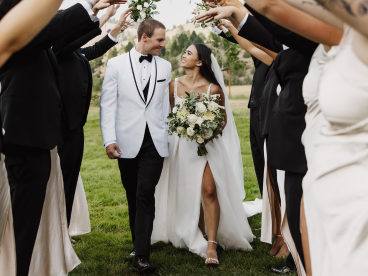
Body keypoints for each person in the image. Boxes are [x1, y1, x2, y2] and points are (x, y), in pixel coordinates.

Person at [0, 0, 126, 274]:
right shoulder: (14, 33)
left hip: (37, 136)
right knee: (19, 225)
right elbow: (49, 29)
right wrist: (92, 6)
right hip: (22, 137)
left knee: (29, 223)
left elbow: (55, 31)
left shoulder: (33, 39)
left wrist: (96, 11)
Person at [151, 43, 254, 266]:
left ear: (200, 62)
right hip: (181, 147)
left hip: (207, 146)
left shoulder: (213, 89)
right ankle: (194, 233)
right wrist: (182, 128)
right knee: (188, 193)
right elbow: (170, 116)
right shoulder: (173, 85)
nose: (183, 55)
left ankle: (211, 244)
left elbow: (223, 121)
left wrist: (206, 133)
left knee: (209, 191)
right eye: (184, 51)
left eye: (188, 53)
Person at [100, 18, 171, 274]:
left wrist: (169, 135)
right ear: (144, 37)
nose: (163, 44)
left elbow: (164, 106)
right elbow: (107, 104)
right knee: (133, 193)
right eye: (159, 40)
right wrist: (109, 139)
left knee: (144, 193)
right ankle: (137, 242)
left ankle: (142, 254)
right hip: (126, 142)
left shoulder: (165, 67)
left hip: (155, 142)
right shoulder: (116, 64)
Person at [53, 6, 133, 227]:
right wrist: (102, 14)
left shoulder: (74, 52)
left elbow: (95, 50)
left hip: (75, 123)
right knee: (62, 180)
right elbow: (79, 38)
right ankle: (57, 231)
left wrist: (115, 28)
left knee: (69, 179)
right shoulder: (57, 48)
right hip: (62, 124)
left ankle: (63, 230)